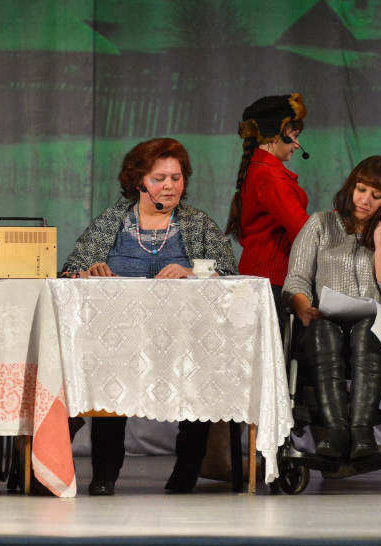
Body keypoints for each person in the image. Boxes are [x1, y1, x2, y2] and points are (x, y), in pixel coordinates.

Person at [61, 137, 238, 496]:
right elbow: (69, 272)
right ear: (138, 181)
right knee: (109, 379)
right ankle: (104, 474)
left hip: (185, 340)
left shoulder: (198, 224)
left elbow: (230, 275)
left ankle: (187, 470)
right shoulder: (112, 221)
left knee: (199, 373)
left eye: (176, 177)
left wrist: (193, 271)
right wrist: (90, 271)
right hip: (122, 342)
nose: (169, 186)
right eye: (159, 178)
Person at [282, 155, 381, 461]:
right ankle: (336, 432)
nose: (365, 200)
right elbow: (296, 280)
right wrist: (303, 308)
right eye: (361, 190)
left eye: (376, 195)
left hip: (375, 339)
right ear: (350, 188)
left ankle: (362, 432)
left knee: (368, 329)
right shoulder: (320, 224)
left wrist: (380, 238)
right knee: (324, 329)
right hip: (323, 331)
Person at [225, 93, 309, 331]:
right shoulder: (271, 176)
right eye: (294, 136)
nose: (296, 145)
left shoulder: (258, 168)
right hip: (271, 281)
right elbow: (302, 229)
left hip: (260, 279)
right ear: (275, 134)